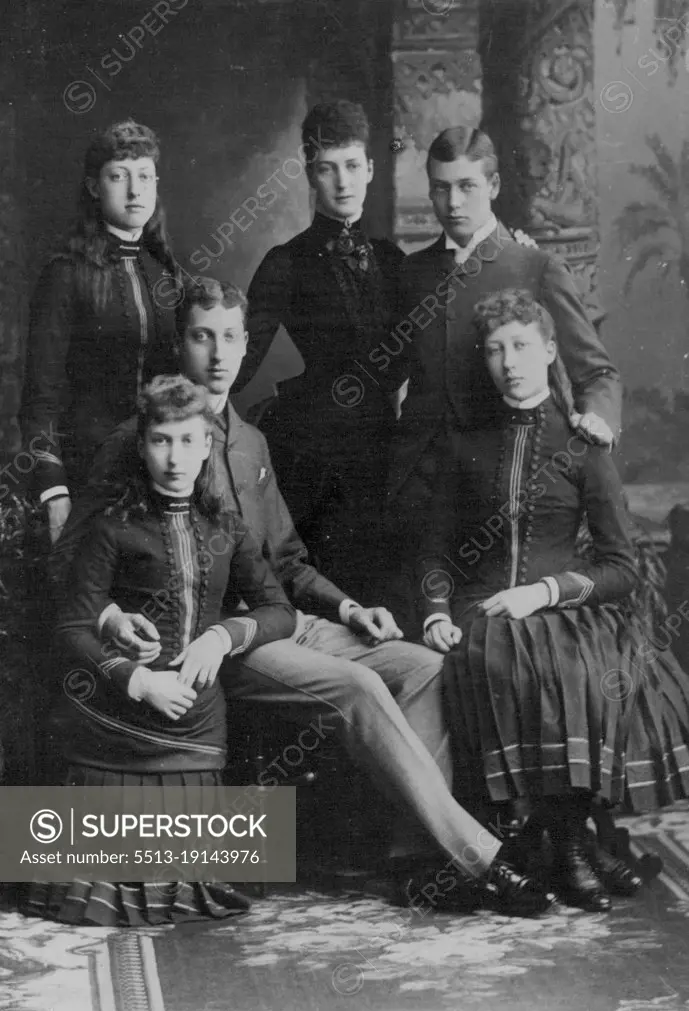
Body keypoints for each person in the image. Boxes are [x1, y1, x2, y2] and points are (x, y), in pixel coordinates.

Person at [54, 277, 555, 917]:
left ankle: (418, 859)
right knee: (359, 688)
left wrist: (348, 608)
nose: (218, 354)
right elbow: (74, 557)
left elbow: (285, 560)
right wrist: (113, 613)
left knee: (425, 666)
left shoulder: (251, 442)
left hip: (280, 617)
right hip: (213, 636)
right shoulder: (140, 439)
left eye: (231, 337)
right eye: (202, 336)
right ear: (180, 344)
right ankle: (478, 856)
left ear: (247, 345)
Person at [419, 288, 689, 912]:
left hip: (563, 607)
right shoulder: (464, 444)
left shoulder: (583, 447)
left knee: (587, 669)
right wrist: (434, 611)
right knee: (507, 661)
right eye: (495, 350)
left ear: (547, 351)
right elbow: (431, 551)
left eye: (520, 346)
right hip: (483, 609)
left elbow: (621, 566)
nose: (509, 362)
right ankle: (564, 843)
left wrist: (545, 591)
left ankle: (564, 839)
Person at [24, 375, 296, 926]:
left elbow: (279, 612)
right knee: (81, 887)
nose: (175, 457)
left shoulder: (228, 528)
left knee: (194, 886)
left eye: (188, 441)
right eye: (161, 441)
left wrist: (223, 636)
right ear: (142, 443)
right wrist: (136, 679)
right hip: (116, 721)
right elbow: (73, 625)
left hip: (194, 727)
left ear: (206, 446)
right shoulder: (112, 527)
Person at [384, 126, 623, 575]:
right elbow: (389, 373)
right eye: (440, 188)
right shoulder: (412, 273)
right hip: (415, 488)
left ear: (492, 187)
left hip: (498, 491)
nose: (452, 203)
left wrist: (597, 420)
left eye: (466, 187)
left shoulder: (535, 267)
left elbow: (597, 373)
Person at [233, 100, 404, 601]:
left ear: (370, 169)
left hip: (384, 450)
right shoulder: (286, 262)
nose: (343, 182)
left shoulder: (393, 262)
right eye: (328, 169)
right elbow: (239, 360)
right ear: (310, 174)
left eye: (353, 166)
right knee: (330, 590)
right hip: (314, 456)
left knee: (384, 590)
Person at [19, 119, 178, 545]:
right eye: (118, 176)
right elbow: (40, 396)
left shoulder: (165, 273)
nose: (135, 190)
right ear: (93, 186)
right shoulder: (66, 274)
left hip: (161, 472)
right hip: (87, 473)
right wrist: (53, 489)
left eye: (145, 176)